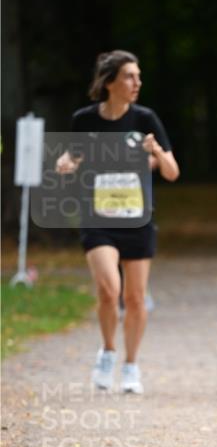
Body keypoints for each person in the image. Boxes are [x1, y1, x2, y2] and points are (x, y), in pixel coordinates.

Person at [56, 50, 179, 393]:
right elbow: (72, 155)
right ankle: (108, 351)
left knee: (136, 298)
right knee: (110, 290)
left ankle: (130, 365)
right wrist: (65, 162)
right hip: (97, 218)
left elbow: (172, 172)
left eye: (138, 76)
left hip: (137, 220)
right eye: (129, 76)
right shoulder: (84, 119)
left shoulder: (146, 119)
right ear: (110, 82)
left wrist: (155, 151)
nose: (137, 82)